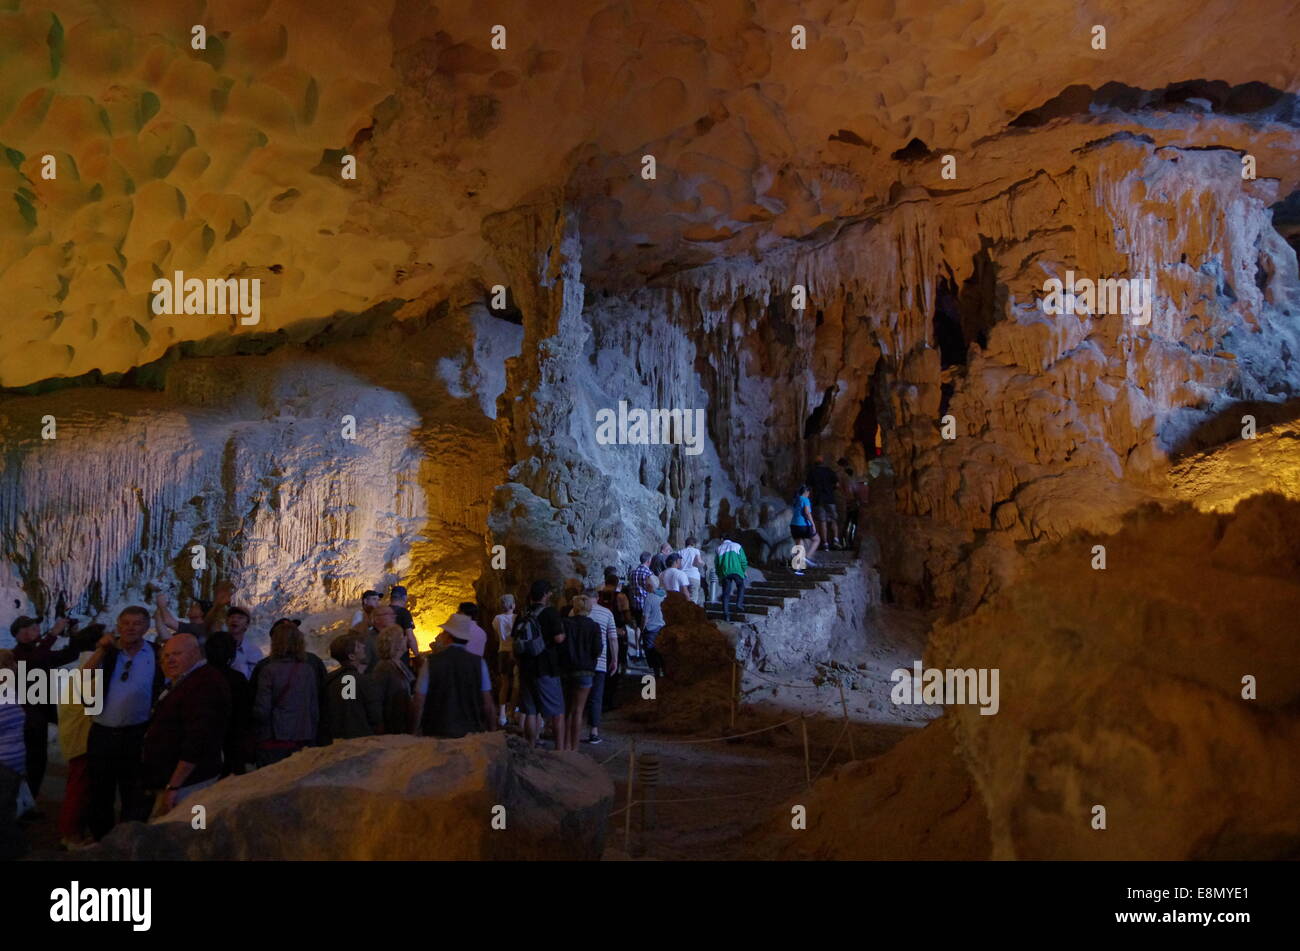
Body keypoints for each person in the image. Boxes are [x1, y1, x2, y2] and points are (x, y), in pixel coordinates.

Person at [83, 607, 165, 840]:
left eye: (137, 623)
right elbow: (84, 674)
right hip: (103, 732)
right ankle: (101, 839)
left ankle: (128, 839)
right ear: (118, 626)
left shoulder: (155, 653)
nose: (130, 628)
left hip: (137, 733)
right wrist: (102, 648)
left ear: (146, 627)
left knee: (134, 789)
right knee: (100, 791)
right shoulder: (108, 653)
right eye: (126, 623)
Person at [141, 634, 231, 817]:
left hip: (190, 784)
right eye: (165, 656)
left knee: (185, 832)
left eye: (177, 654)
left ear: (195, 654)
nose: (170, 660)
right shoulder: (186, 680)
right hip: (179, 780)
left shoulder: (204, 684)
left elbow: (198, 739)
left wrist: (174, 785)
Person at [10, 614, 80, 798]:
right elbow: (35, 661)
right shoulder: (16, 656)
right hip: (25, 717)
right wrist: (53, 633)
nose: (38, 631)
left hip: (38, 715)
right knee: (28, 761)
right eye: (33, 628)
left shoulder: (40, 652)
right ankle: (18, 802)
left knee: (38, 761)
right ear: (21, 633)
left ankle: (29, 800)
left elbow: (70, 655)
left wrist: (74, 634)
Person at [412, 614, 495, 738]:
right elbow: (487, 702)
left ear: (448, 636)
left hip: (436, 731)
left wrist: (413, 729)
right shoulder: (479, 663)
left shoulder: (431, 662)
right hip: (470, 733)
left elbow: (419, 700)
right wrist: (492, 729)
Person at [56, 630, 102, 848]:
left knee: (78, 787)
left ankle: (73, 832)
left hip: (76, 736)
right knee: (78, 789)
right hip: (81, 739)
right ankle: (71, 835)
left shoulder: (78, 667)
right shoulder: (89, 671)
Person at [252, 621, 320, 766]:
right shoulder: (308, 669)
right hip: (302, 736)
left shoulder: (268, 670)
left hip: (275, 736)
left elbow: (262, 710)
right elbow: (313, 707)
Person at [515, 580, 566, 750]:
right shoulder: (550, 613)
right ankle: (559, 750)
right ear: (545, 595)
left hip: (525, 667)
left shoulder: (522, 614)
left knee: (530, 711)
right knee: (557, 710)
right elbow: (558, 638)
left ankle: (530, 746)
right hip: (545, 667)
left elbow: (515, 638)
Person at [203, 631, 253, 776]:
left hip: (205, 742)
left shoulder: (197, 678)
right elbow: (245, 714)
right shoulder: (238, 679)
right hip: (232, 742)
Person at [321, 633, 381, 742]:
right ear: (351, 656)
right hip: (359, 740)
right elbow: (371, 715)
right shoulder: (358, 680)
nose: (363, 647)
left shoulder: (331, 679)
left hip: (335, 739)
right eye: (358, 646)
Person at [561, 595, 602, 752]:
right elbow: (597, 649)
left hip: (567, 670)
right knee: (578, 710)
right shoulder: (594, 626)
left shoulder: (566, 624)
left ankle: (564, 746)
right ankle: (574, 748)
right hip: (585, 670)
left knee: (566, 710)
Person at [585, 585, 619, 742]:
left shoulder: (577, 612)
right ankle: (594, 731)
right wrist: (615, 659)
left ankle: (572, 731)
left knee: (577, 696)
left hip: (580, 661)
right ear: (597, 598)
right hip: (600, 660)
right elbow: (613, 638)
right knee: (596, 697)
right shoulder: (607, 613)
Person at [370, 625, 414, 735]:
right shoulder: (384, 667)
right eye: (403, 637)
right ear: (397, 643)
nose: (406, 639)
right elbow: (377, 699)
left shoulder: (398, 663)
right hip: (392, 724)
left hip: (401, 720)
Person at [492, 595, 517, 728]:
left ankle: (501, 715)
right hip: (515, 652)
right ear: (512, 605)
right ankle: (511, 712)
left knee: (505, 683)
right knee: (516, 684)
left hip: (502, 651)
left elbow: (496, 637)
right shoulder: (516, 618)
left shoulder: (497, 619)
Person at [807, 455, 841, 550]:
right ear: (823, 462)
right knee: (833, 520)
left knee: (823, 522)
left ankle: (825, 544)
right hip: (830, 499)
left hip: (818, 500)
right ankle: (836, 540)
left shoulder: (812, 472)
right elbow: (837, 484)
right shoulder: (829, 471)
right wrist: (831, 489)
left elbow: (808, 488)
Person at [221, 607, 263, 679]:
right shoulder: (218, 647)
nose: (235, 620)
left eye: (240, 618)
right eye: (232, 617)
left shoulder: (254, 652)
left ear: (247, 625)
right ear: (227, 622)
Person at [716, 537, 749, 622]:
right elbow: (743, 560)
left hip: (725, 573)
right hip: (737, 571)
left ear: (722, 539)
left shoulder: (719, 548)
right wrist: (744, 570)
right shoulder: (737, 546)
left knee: (726, 594)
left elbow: (717, 565)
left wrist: (720, 576)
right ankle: (739, 604)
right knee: (741, 586)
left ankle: (726, 615)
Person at [641, 575, 667, 679]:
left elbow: (645, 616)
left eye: (646, 585)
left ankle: (656, 675)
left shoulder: (649, 597)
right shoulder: (664, 595)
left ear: (650, 586)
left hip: (651, 629)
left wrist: (642, 629)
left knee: (652, 653)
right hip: (663, 627)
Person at [789, 484, 821, 569]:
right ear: (806, 491)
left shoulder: (796, 499)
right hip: (803, 525)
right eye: (809, 492)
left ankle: (797, 566)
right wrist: (813, 524)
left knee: (799, 543)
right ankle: (807, 557)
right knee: (817, 539)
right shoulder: (805, 499)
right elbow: (807, 512)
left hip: (793, 525)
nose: (809, 494)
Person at [388, 586, 419, 666]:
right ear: (405, 598)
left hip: (385, 654)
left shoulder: (384, 611)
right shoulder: (404, 613)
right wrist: (417, 656)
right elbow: (410, 637)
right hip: (400, 655)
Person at [627, 552, 653, 633]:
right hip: (645, 604)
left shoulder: (632, 573)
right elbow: (652, 589)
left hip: (634, 604)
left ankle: (637, 644)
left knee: (637, 627)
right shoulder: (648, 573)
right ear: (648, 561)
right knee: (645, 628)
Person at [676, 537, 704, 603]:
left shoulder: (680, 552)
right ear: (694, 544)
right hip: (693, 576)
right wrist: (703, 563)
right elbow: (699, 561)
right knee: (693, 599)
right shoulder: (696, 551)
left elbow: (677, 565)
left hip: (682, 577)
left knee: (682, 599)